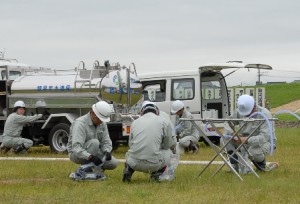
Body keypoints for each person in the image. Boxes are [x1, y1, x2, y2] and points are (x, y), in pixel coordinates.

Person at [222, 94, 279, 172]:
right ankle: (234, 166)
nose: (246, 115)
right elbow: (227, 122)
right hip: (242, 140)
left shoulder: (265, 114)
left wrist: (246, 140)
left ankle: (261, 165)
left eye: (248, 113)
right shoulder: (240, 111)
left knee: (253, 152)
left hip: (264, 142)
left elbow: (265, 137)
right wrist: (232, 133)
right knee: (224, 140)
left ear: (254, 107)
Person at [123, 101, 174, 182]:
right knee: (169, 153)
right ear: (157, 112)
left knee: (129, 153)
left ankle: (128, 170)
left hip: (134, 163)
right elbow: (167, 145)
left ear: (142, 112)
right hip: (154, 164)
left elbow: (130, 144)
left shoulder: (135, 122)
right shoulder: (165, 122)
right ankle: (156, 174)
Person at [67, 101, 118, 173]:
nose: (102, 121)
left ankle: (97, 169)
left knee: (113, 163)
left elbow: (106, 141)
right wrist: (90, 157)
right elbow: (76, 147)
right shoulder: (80, 123)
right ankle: (85, 170)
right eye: (100, 119)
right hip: (76, 154)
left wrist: (107, 151)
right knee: (95, 143)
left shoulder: (102, 123)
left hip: (95, 151)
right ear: (94, 114)